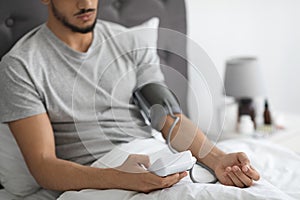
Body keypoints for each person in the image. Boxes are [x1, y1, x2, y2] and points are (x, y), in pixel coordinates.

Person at [0, 0, 260, 199]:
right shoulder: (21, 66)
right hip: (97, 174)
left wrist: (216, 159)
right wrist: (120, 178)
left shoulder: (128, 41)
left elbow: (169, 118)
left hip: (155, 157)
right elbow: (44, 166)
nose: (86, 4)